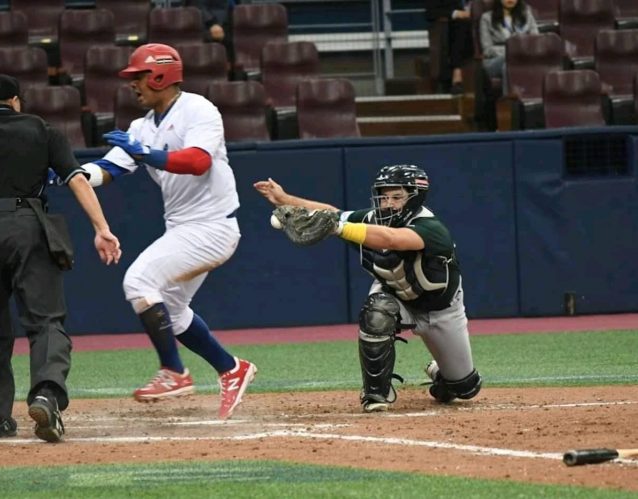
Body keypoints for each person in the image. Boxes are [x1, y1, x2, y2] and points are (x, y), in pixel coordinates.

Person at [0, 74, 122, 442]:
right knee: (46, 320)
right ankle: (46, 395)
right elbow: (77, 179)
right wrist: (101, 228)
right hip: (30, 225)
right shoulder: (42, 129)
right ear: (17, 100)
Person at [73, 43, 257, 420]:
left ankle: (174, 371)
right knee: (172, 310)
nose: (132, 85)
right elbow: (107, 170)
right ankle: (231, 368)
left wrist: (148, 155)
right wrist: (70, 174)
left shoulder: (199, 109)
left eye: (138, 76)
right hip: (183, 228)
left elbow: (198, 161)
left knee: (138, 282)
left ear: (159, 75)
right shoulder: (141, 127)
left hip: (212, 227)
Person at [254, 165, 482, 412]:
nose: (388, 203)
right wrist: (285, 199)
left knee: (465, 388)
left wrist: (338, 227)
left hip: (441, 311)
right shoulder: (374, 218)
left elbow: (391, 239)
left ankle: (442, 374)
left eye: (397, 197)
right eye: (384, 196)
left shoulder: (432, 228)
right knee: (377, 312)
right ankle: (375, 394)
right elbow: (332, 213)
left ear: (415, 197)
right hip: (398, 299)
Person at [480, 0, 538, 94]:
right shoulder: (486, 18)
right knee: (509, 63)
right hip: (495, 60)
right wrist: (512, 51)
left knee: (509, 66)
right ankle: (511, 102)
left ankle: (518, 100)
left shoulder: (526, 15)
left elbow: (536, 41)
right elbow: (487, 50)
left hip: (522, 57)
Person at [425, 0, 474, 94]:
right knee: (461, 26)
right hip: (453, 27)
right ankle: (457, 72)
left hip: (480, 23)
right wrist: (455, 13)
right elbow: (430, 13)